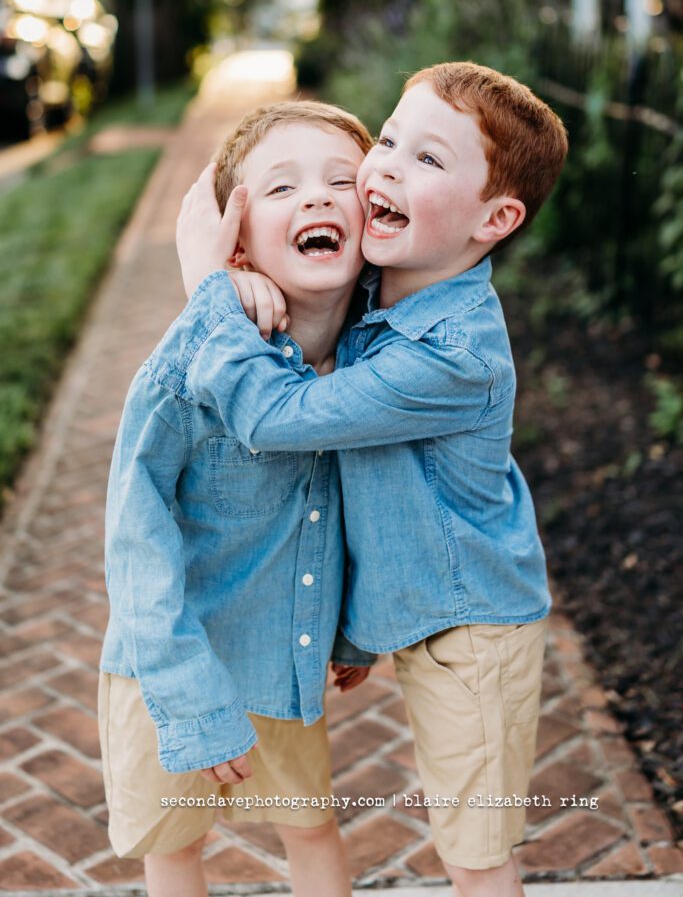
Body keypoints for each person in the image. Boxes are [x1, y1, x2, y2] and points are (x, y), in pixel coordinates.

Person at [155, 61, 569, 897]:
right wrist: (240, 273)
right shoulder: (385, 284)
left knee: (473, 850)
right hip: (420, 607)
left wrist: (205, 285)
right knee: (463, 835)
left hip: (474, 632)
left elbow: (278, 420)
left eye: (427, 161)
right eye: (386, 140)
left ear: (496, 217)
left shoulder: (451, 354)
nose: (383, 167)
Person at [99, 100, 377, 897]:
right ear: (238, 238)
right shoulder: (191, 363)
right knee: (176, 847)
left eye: (339, 181)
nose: (318, 198)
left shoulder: (375, 358)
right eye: (281, 188)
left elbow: (362, 504)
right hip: (171, 666)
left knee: (309, 824)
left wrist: (351, 627)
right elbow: (135, 536)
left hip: (281, 662)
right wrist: (186, 699)